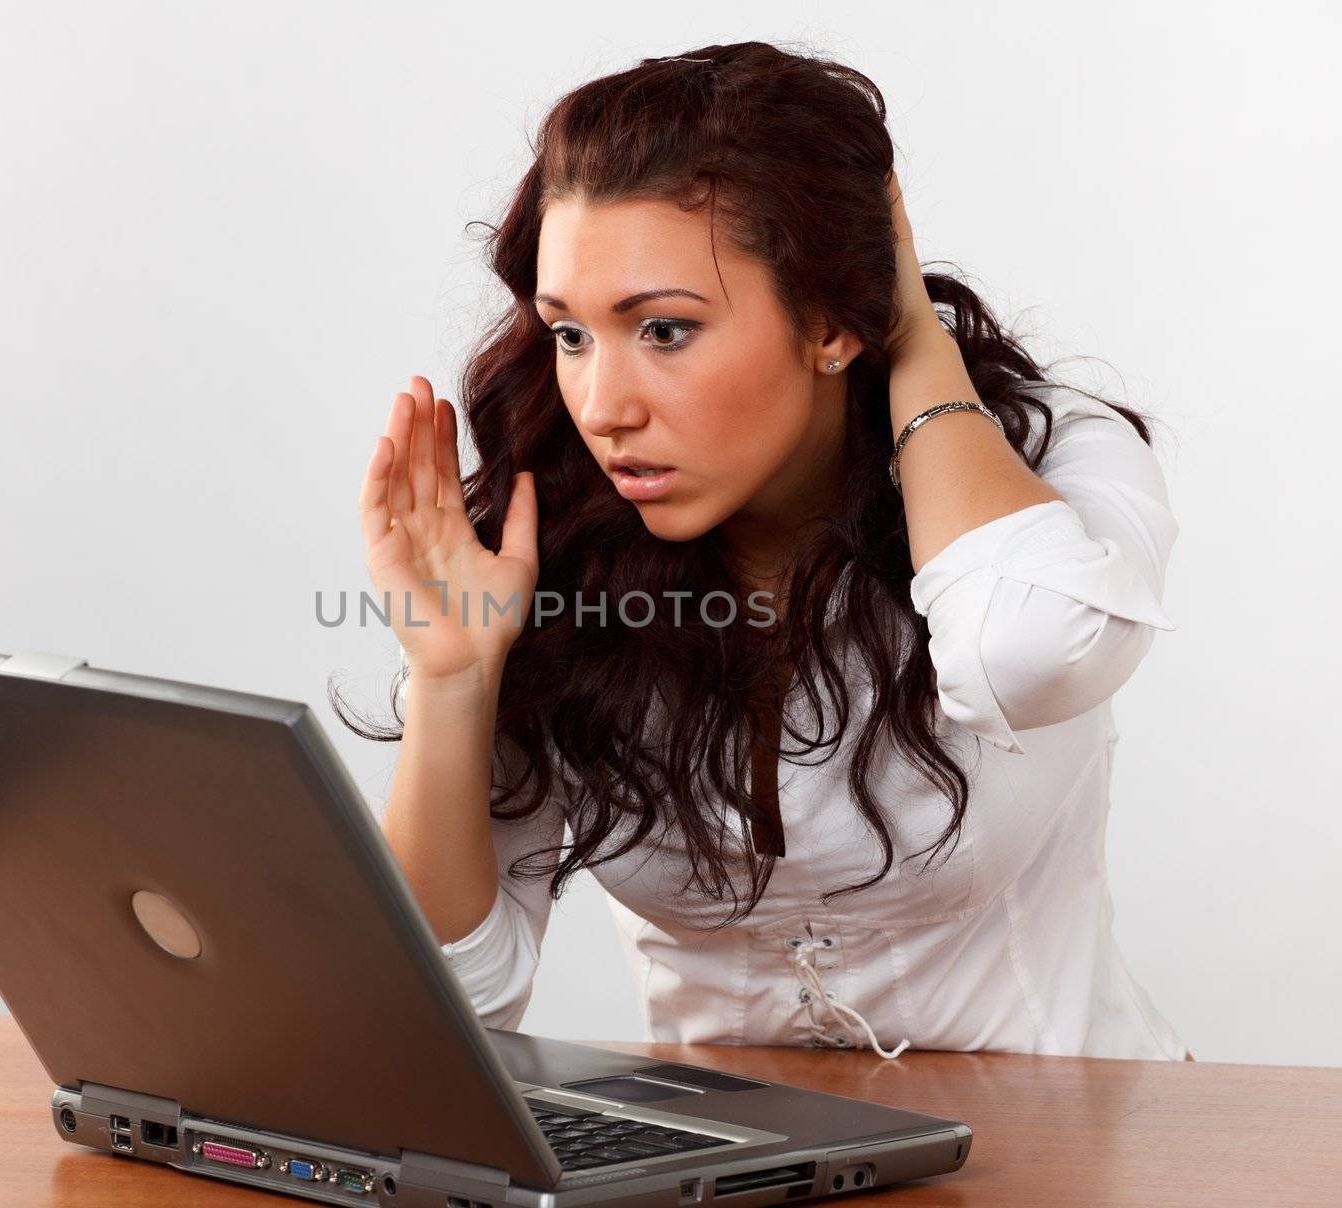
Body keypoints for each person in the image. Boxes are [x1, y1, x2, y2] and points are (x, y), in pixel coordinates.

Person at [348, 41, 1191, 1061]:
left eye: (663, 330)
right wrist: (453, 677)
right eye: (570, 334)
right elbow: (444, 1011)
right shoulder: (555, 545)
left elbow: (1031, 646)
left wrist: (913, 338)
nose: (602, 408)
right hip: (727, 1164)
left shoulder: (1050, 459)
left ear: (834, 318)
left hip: (1059, 1155)